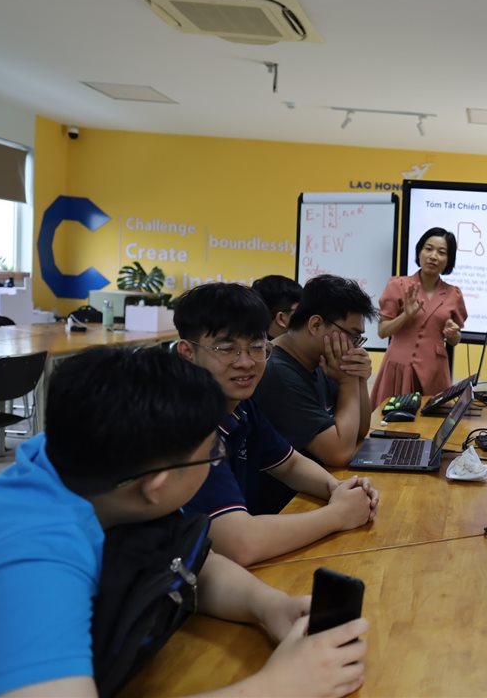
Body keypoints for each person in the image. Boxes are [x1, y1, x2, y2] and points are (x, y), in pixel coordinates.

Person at [0, 347, 368, 697]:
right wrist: (277, 686)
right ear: (156, 486)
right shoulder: (29, 561)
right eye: (213, 454)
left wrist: (267, 605)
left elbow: (183, 558)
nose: (216, 461)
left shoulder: (96, 459)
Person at [174, 282, 378, 566]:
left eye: (257, 347)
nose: (246, 362)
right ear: (187, 352)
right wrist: (338, 515)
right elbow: (240, 545)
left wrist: (339, 488)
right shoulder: (184, 424)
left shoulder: (241, 407)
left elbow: (289, 464)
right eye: (226, 348)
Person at [254, 275, 378, 468]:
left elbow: (360, 430)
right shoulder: (277, 373)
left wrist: (358, 377)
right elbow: (339, 454)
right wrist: (348, 381)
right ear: (316, 325)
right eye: (352, 336)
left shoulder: (320, 361)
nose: (355, 346)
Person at [369, 227, 468, 409]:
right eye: (428, 249)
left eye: (441, 252)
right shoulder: (398, 285)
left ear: (448, 260)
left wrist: (453, 334)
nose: (433, 256)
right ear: (419, 252)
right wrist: (406, 315)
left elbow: (454, 340)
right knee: (392, 420)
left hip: (435, 370)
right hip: (399, 367)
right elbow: (382, 332)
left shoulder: (453, 294)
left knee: (432, 420)